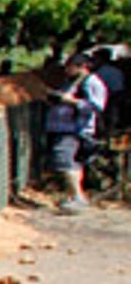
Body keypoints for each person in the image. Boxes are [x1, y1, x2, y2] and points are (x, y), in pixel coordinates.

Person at [45, 51, 107, 211]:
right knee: (71, 163)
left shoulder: (92, 83)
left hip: (75, 129)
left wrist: (69, 101)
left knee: (64, 159)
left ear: (83, 67)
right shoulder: (72, 81)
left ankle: (77, 197)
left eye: (70, 67)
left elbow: (96, 106)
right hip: (62, 127)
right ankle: (74, 196)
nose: (67, 70)